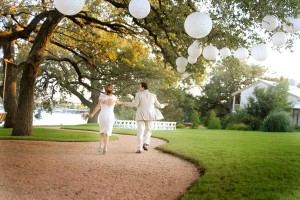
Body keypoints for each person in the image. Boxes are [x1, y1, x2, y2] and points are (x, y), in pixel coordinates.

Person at [124, 82, 168, 153]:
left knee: (140, 132)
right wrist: (164, 105)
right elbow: (158, 105)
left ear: (143, 87)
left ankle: (139, 149)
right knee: (148, 130)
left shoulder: (138, 94)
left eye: (140, 86)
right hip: (150, 115)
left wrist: (125, 103)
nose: (139, 88)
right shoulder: (153, 95)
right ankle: (146, 142)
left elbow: (135, 104)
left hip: (140, 115)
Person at [89, 83, 123, 155]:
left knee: (102, 131)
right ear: (112, 89)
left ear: (105, 89)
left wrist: (92, 114)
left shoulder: (102, 97)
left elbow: (98, 106)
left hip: (103, 115)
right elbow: (120, 103)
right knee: (107, 133)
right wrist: (125, 103)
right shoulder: (114, 97)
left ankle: (100, 146)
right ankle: (105, 149)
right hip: (110, 116)